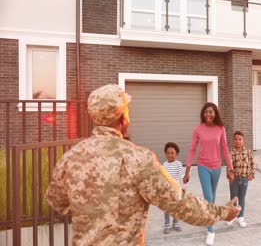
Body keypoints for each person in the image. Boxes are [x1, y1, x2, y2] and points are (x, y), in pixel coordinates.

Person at [46, 84, 240, 245]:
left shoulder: (71, 158)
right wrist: (224, 212)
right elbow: (179, 202)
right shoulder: (139, 159)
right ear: (124, 118)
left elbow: (56, 202)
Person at [183, 102, 234, 245]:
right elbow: (192, 149)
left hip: (217, 166)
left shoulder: (220, 129)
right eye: (206, 112)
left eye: (211, 112)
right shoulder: (198, 129)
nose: (208, 114)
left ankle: (208, 218)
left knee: (212, 196)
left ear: (215, 113)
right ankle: (211, 230)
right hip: (203, 166)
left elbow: (225, 149)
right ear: (203, 114)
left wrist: (230, 168)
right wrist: (187, 170)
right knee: (209, 197)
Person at [227, 131, 256, 228]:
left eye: (240, 139)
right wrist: (230, 175)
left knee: (242, 198)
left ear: (243, 141)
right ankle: (232, 216)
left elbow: (252, 163)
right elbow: (229, 165)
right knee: (233, 198)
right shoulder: (231, 153)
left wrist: (252, 174)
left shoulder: (247, 152)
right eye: (236, 139)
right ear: (233, 141)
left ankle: (241, 216)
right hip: (234, 180)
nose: (238, 141)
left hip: (244, 179)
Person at [162, 142, 184, 234]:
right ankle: (167, 224)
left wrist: (185, 178)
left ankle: (175, 223)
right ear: (165, 154)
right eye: (168, 153)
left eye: (172, 153)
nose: (170, 155)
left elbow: (182, 174)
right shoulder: (164, 165)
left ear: (176, 154)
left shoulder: (178, 164)